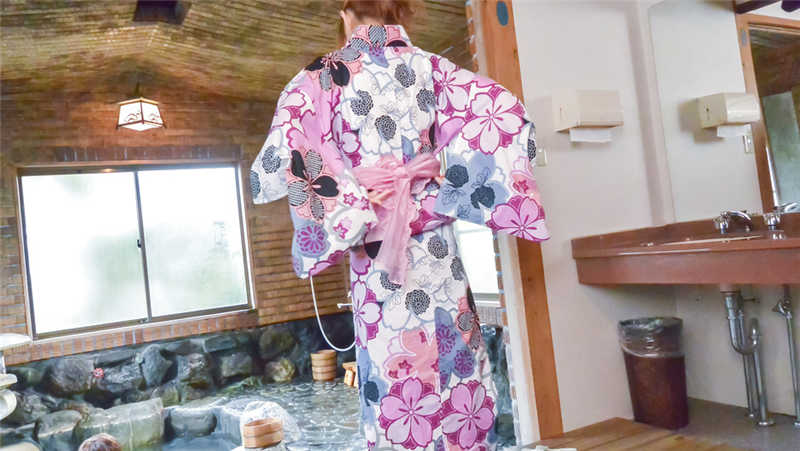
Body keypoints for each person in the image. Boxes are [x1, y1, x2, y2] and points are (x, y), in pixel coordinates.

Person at [250, 0, 549, 448]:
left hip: (375, 252)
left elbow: (285, 154)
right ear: (399, 11)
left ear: (345, 11)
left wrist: (348, 201)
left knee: (395, 375)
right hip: (436, 246)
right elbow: (503, 115)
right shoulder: (432, 68)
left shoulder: (321, 77)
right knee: (457, 365)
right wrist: (453, 183)